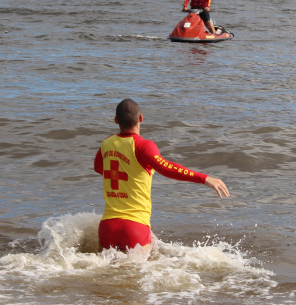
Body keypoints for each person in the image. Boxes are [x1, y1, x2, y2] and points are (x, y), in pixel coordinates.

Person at [94, 99, 229, 252]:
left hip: (107, 226)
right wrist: (204, 178)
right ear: (141, 118)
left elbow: (99, 168)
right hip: (135, 227)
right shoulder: (143, 146)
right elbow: (167, 168)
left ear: (116, 120)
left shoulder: (107, 143)